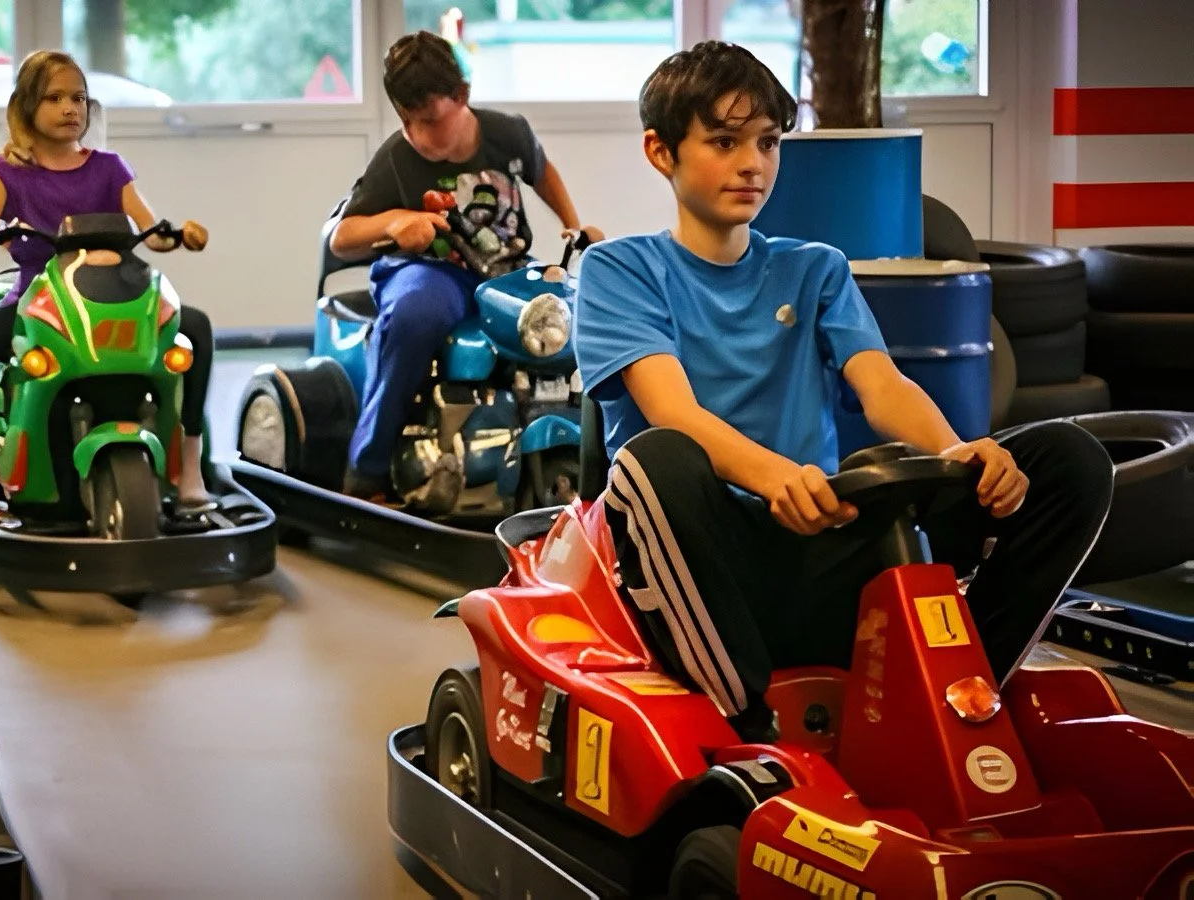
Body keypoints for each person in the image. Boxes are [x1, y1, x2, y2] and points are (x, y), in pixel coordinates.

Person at [571, 41, 1114, 742]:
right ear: (660, 151)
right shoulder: (623, 269)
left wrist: (959, 453)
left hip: (817, 534)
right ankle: (747, 725)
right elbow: (674, 413)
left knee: (1067, 460)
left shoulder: (815, 269)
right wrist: (776, 480)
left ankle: (962, 696)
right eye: (724, 141)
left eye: (768, 142)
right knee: (658, 458)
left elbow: (882, 385)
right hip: (702, 559)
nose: (752, 164)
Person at [329, 30, 604, 501]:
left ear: (462, 96)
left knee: (575, 314)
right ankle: (367, 469)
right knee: (417, 315)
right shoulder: (397, 157)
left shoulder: (507, 133)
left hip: (507, 269)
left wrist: (573, 224)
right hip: (430, 271)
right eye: (406, 120)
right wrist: (398, 221)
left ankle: (591, 448)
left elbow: (542, 170)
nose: (417, 134)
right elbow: (342, 237)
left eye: (429, 120)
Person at [0, 50, 216, 516]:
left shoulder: (109, 168)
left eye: (78, 98)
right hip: (42, 296)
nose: (69, 108)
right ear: (26, 107)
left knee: (195, 328)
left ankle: (191, 461)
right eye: (54, 98)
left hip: (118, 292)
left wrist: (179, 236)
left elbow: (151, 232)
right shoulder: (4, 172)